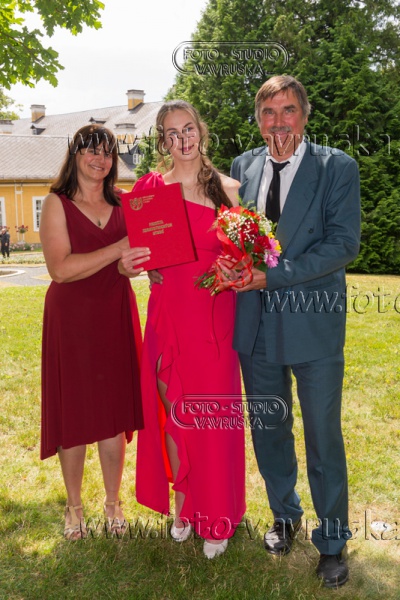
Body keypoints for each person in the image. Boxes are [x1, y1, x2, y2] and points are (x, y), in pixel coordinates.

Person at [230, 76, 361, 587]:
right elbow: (230, 236)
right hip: (256, 321)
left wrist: (275, 275)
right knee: (269, 428)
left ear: (304, 115)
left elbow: (343, 244)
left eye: (288, 111)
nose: (278, 122)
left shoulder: (336, 167)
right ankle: (284, 516)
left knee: (322, 435)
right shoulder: (242, 167)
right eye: (269, 112)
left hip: (313, 321)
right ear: (258, 120)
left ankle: (332, 542)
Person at [123, 100, 246, 559]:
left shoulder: (227, 190)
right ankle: (183, 506)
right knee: (174, 411)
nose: (182, 139)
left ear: (201, 130)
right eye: (172, 133)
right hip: (167, 313)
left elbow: (245, 258)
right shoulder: (150, 190)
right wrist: (133, 264)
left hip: (213, 319)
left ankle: (216, 516)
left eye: (188, 129)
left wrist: (236, 269)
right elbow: (137, 252)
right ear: (163, 141)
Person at [40, 124, 150, 540]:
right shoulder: (57, 202)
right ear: (75, 155)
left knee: (113, 412)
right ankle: (73, 507)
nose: (99, 159)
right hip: (71, 319)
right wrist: (117, 249)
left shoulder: (125, 202)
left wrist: (128, 265)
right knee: (74, 412)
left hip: (114, 311)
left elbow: (128, 263)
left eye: (107, 152)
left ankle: (113, 502)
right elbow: (60, 269)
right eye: (91, 150)